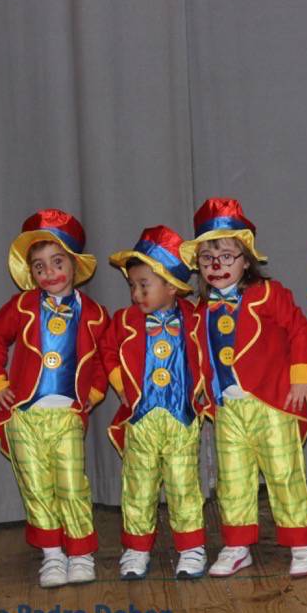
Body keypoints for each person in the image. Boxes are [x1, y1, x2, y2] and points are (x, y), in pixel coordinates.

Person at [179, 198, 307, 578]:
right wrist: (202, 393)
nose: (217, 265)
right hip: (228, 407)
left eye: (226, 256)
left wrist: (300, 379)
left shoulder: (269, 294)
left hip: (271, 400)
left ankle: (302, 543)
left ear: (246, 260)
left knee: (283, 473)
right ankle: (237, 544)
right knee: (233, 478)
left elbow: (299, 330)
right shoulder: (201, 309)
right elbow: (196, 354)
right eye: (208, 259)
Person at [0, 209, 108, 587]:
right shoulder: (21, 307)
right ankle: (52, 555)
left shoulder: (96, 316)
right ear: (31, 272)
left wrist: (95, 392)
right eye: (39, 266)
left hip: (66, 414)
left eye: (57, 262)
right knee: (34, 484)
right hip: (25, 414)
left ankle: (81, 553)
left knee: (71, 484)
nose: (49, 272)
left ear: (74, 264)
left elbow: (106, 357)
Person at [103, 225, 207, 581]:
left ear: (171, 286)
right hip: (141, 418)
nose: (135, 294)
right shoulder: (124, 322)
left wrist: (206, 388)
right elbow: (106, 353)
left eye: (143, 285)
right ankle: (136, 548)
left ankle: (191, 547)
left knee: (183, 484)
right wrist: (120, 386)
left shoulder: (195, 319)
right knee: (138, 484)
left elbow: (213, 352)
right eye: (132, 285)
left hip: (181, 417)